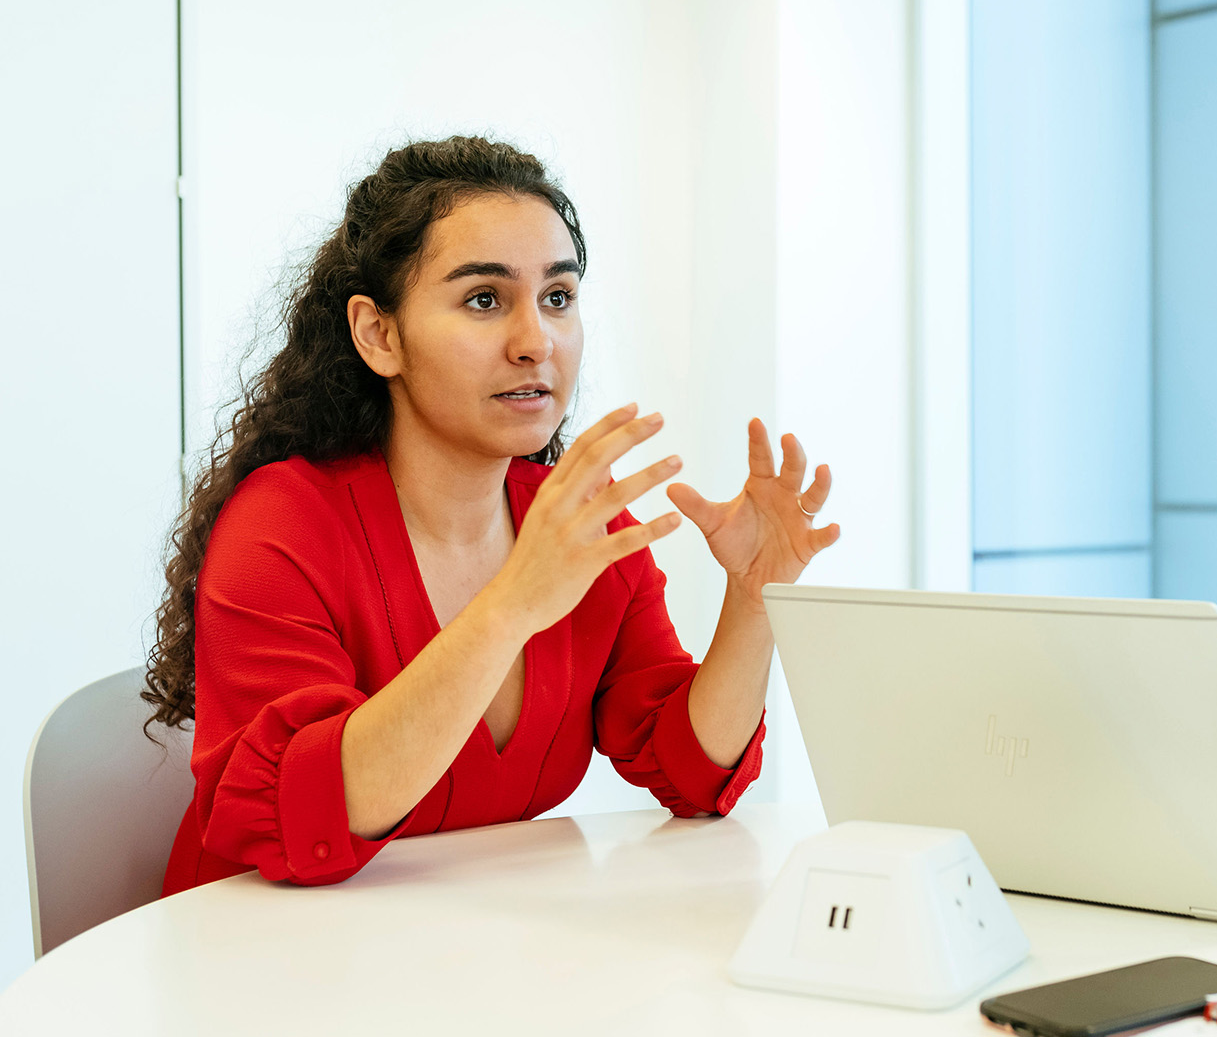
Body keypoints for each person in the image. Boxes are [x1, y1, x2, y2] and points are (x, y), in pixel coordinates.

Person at [145, 136, 840, 893]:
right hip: (260, 963)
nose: (535, 341)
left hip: (462, 961)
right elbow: (305, 812)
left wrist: (753, 599)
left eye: (558, 298)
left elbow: (690, 768)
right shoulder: (280, 525)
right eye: (485, 299)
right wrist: (513, 602)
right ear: (379, 334)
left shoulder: (578, 520)